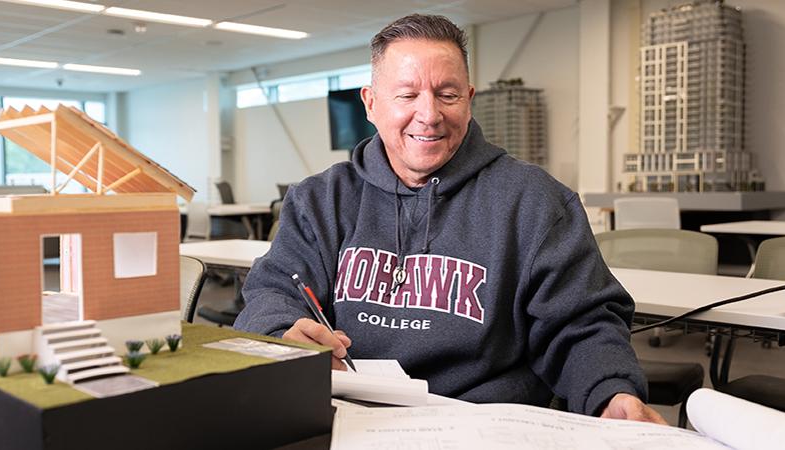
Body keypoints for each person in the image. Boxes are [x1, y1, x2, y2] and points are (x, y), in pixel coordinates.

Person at [234, 13, 664, 424]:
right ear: (371, 103)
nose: (429, 114)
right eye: (406, 95)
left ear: (470, 100)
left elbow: (581, 324)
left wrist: (611, 392)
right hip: (346, 413)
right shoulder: (321, 199)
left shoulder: (535, 202)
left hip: (481, 424)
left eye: (448, 94)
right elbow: (273, 290)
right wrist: (282, 330)